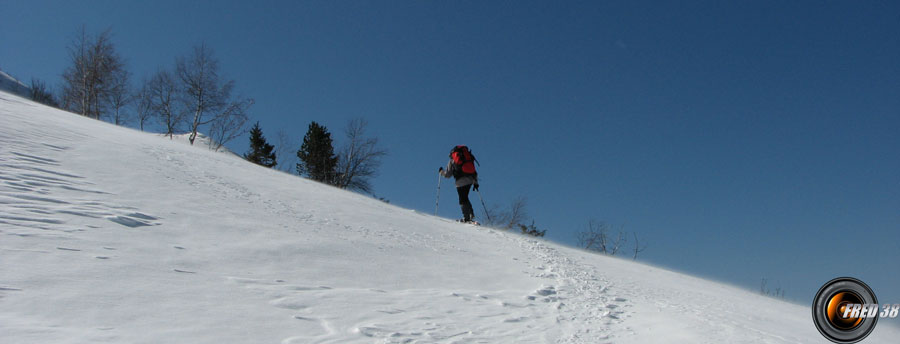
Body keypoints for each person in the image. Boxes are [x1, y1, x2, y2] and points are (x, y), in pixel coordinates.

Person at [439, 145, 479, 222]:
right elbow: (474, 172)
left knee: (462, 199)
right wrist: (476, 183)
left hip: (460, 182)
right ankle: (470, 214)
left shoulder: (452, 160)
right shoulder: (468, 158)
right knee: (465, 197)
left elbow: (448, 175)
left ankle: (466, 218)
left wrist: (441, 172)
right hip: (470, 181)